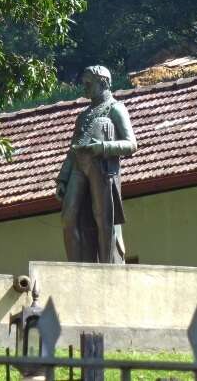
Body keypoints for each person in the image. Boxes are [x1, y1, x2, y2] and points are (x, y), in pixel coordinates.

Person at [55, 65, 136, 263]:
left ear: (104, 83)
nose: (85, 88)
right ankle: (76, 264)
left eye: (89, 83)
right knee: (69, 217)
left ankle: (108, 264)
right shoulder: (83, 116)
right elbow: (72, 150)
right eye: (84, 83)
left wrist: (103, 147)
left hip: (101, 167)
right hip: (78, 166)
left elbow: (131, 144)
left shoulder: (115, 108)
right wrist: (62, 178)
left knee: (103, 218)